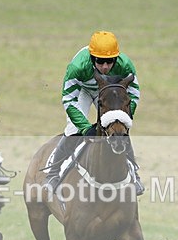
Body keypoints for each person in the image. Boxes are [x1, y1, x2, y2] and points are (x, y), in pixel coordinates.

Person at [44, 30, 144, 195]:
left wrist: (124, 116)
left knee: (120, 129)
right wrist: (84, 128)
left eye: (109, 62)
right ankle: (53, 173)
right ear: (92, 58)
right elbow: (69, 100)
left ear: (116, 58)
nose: (105, 67)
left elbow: (133, 94)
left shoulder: (125, 65)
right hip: (82, 91)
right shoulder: (77, 67)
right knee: (73, 130)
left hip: (108, 93)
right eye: (100, 61)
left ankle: (135, 175)